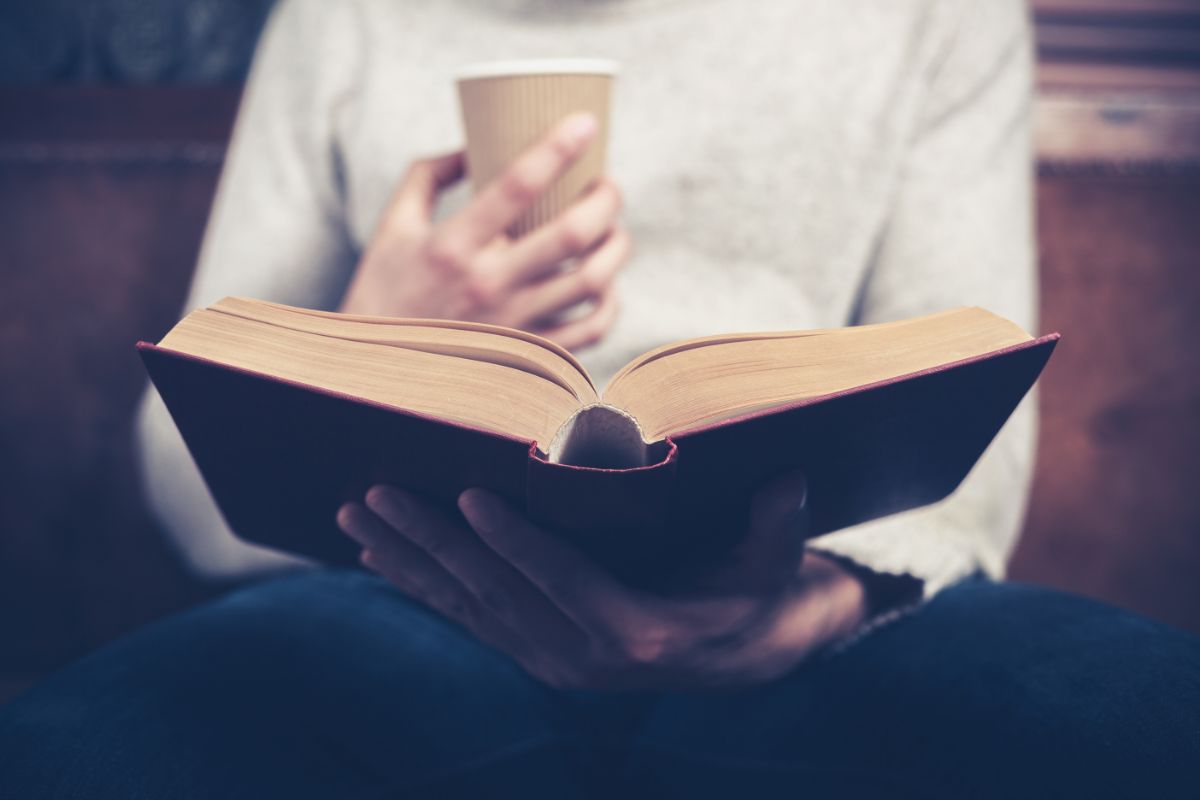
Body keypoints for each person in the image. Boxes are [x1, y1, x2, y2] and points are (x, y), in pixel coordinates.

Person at [2, 0, 1197, 797]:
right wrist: (381, 323)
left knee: (1154, 720)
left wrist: (812, 614)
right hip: (404, 602)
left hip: (814, 609)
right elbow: (183, 484)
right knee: (63, 755)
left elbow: (973, 443)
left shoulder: (935, 15)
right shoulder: (343, 16)